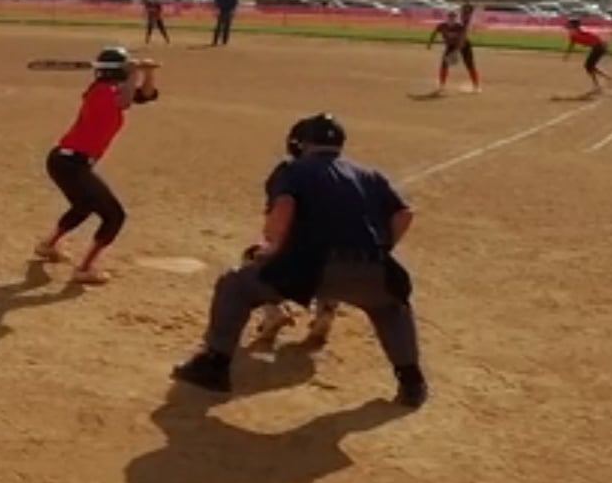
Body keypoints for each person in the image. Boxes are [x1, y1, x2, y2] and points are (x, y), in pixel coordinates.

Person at [172, 113, 426, 406]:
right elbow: (404, 214)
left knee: (236, 285)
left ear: (302, 143)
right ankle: (412, 383)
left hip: (311, 267)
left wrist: (271, 250)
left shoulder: (292, 170)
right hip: (373, 267)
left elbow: (284, 206)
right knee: (390, 306)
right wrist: (381, 250)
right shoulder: (370, 174)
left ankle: (214, 364)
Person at [35, 46, 160, 285]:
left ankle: (48, 245)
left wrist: (148, 72)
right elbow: (125, 101)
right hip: (70, 162)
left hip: (68, 162)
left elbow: (146, 95)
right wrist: (134, 71)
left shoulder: (112, 89)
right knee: (114, 216)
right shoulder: (102, 91)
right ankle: (85, 269)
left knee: (83, 206)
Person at [249, 123, 341, 348]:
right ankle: (326, 310)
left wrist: (271, 246)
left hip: (297, 253)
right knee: (333, 261)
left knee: (253, 258)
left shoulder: (288, 171)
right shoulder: (349, 172)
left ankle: (274, 312)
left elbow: (279, 212)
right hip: (342, 256)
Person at [427, 2, 480, 94]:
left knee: (470, 65)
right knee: (444, 65)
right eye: (450, 16)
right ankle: (442, 86)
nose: (452, 18)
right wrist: (430, 43)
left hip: (464, 46)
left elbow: (462, 39)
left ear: (456, 17)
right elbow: (434, 32)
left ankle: (476, 86)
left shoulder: (459, 27)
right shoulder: (442, 26)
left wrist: (457, 51)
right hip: (451, 46)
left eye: (453, 16)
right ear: (447, 17)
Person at [563, 18, 612, 95]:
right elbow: (572, 44)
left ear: (574, 25)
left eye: (570, 24)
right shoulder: (574, 33)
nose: (568, 25)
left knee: (589, 66)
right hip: (598, 47)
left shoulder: (580, 32)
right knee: (589, 67)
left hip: (598, 47)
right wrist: (567, 54)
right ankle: (607, 81)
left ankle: (601, 84)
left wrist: (600, 44)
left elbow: (593, 38)